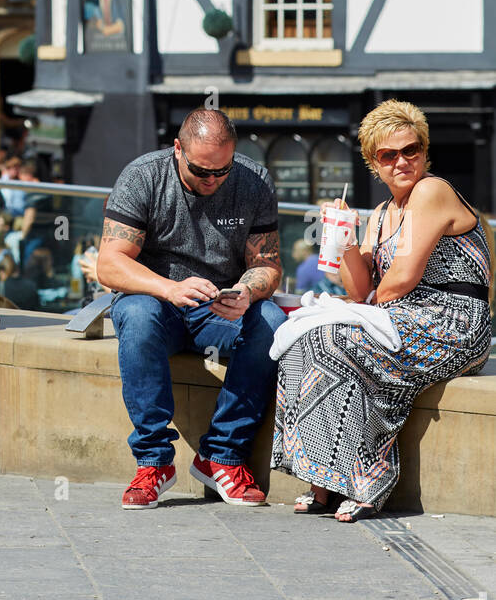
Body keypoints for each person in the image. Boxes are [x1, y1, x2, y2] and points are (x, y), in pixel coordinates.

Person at [273, 100, 492, 522]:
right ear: (374, 163)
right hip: (401, 317)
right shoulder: (378, 215)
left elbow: (403, 277)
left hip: (453, 321)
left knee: (339, 336)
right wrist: (344, 240)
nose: (402, 161)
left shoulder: (432, 191)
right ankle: (325, 478)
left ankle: (369, 477)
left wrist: (361, 309)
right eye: (388, 155)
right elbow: (360, 289)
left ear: (425, 152)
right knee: (306, 339)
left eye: (411, 150)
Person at [98, 108, 285, 510]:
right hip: (155, 301)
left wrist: (246, 292)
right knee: (135, 314)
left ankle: (222, 455)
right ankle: (153, 462)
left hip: (218, 308)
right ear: (177, 149)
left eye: (223, 170)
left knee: (271, 322)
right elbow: (109, 265)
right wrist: (169, 288)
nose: (213, 180)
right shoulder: (143, 176)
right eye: (202, 171)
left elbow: (267, 265)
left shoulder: (253, 181)